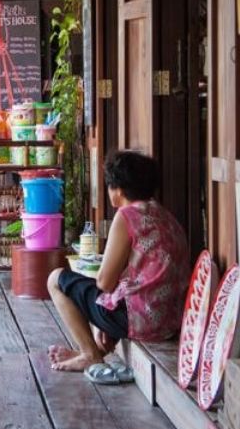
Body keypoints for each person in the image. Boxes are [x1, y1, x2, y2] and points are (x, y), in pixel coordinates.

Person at [47, 151, 190, 379]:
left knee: (55, 279)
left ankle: (89, 354)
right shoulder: (164, 215)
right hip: (169, 322)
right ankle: (91, 349)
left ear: (118, 189)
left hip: (139, 321)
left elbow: (104, 282)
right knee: (101, 299)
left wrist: (105, 315)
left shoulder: (127, 215)